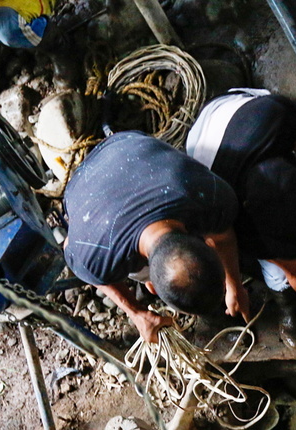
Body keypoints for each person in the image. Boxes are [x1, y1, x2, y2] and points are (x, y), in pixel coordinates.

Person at [185, 88, 296, 347]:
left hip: (243, 110)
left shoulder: (280, 114)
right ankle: (288, 307)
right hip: (204, 144)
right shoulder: (225, 210)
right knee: (278, 270)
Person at [63, 131, 247, 343]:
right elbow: (69, 246)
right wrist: (135, 312)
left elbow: (223, 236)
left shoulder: (210, 195)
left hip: (129, 145)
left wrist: (235, 285)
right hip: (85, 181)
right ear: (152, 286)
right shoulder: (95, 254)